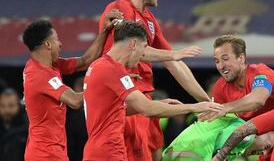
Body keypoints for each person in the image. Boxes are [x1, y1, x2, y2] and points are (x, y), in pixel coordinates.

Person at [98, 0, 211, 160]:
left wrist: (207, 102)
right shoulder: (119, 9)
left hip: (146, 101)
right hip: (127, 100)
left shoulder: (149, 20)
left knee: (155, 156)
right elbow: (130, 49)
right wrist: (173, 54)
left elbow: (174, 64)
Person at [82, 21, 223, 161]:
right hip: (108, 152)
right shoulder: (112, 69)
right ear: (133, 44)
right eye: (144, 48)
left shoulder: (99, 66)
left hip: (100, 150)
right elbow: (147, 108)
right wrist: (194, 107)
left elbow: (113, 109)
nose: (143, 55)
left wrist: (161, 103)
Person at [22, 9, 122, 161]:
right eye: (56, 40)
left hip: (51, 150)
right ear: (48, 44)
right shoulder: (39, 75)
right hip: (45, 154)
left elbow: (85, 60)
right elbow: (75, 101)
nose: (60, 44)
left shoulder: (50, 65)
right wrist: (109, 87)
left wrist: (103, 32)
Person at [199, 35, 274, 160]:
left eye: (225, 59)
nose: (220, 66)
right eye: (217, 61)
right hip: (263, 146)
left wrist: (225, 108)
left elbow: (258, 100)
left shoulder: (261, 73)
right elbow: (223, 125)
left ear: (241, 58)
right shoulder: (220, 87)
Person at [0, 88, 28, 161]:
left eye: (11, 106)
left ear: (19, 106)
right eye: (2, 106)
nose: (7, 110)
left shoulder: (27, 129)